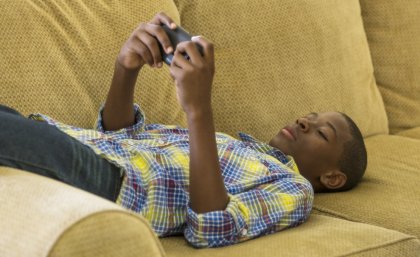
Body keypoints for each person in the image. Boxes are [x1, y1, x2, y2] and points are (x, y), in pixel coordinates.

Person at [0, 12, 367, 248]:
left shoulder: (294, 189)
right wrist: (126, 68)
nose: (306, 121)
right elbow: (120, 134)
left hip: (108, 183)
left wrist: (198, 109)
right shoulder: (229, 144)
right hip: (72, 143)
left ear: (333, 177)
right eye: (312, 115)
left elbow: (209, 226)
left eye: (322, 133)